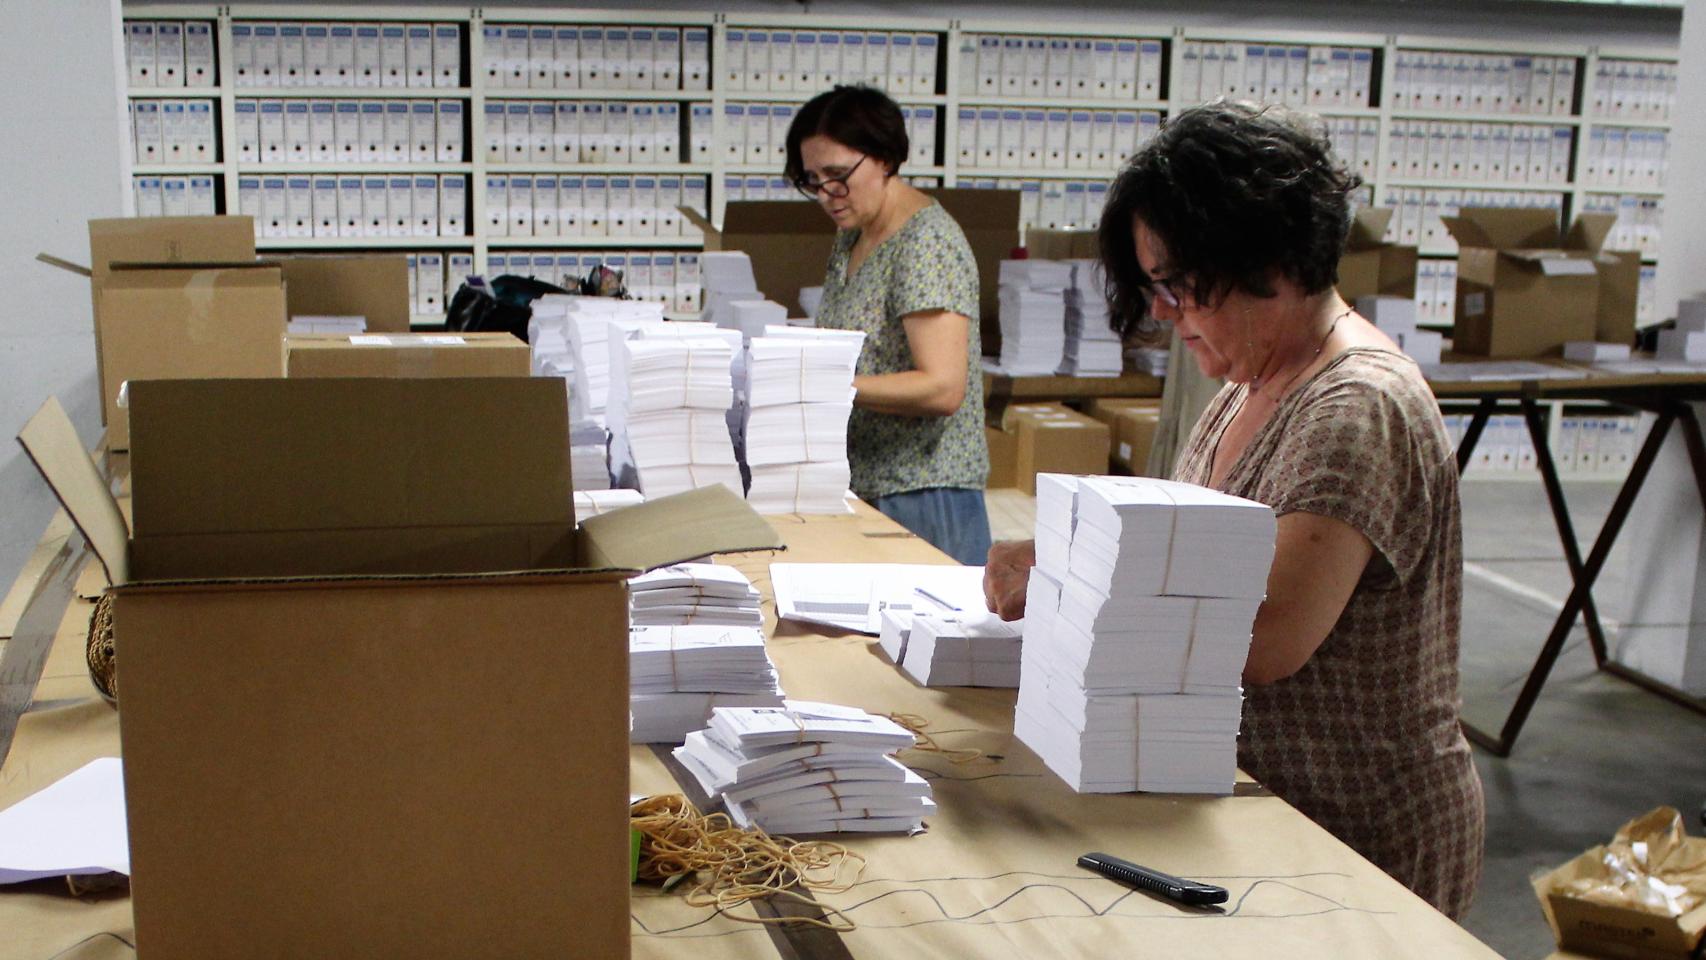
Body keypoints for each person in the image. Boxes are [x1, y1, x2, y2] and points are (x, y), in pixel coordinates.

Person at [983, 101, 1485, 919]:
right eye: (1155, 288)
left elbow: (1259, 638)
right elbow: (1180, 563)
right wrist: (1064, 556)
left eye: (1178, 286)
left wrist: (1066, 586)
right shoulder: (1250, 381)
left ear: (1267, 260)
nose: (1161, 313)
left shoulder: (1354, 404)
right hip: (1260, 812)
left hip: (1354, 833)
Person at [784, 85, 992, 565]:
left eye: (838, 176)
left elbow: (943, 388)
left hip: (923, 494)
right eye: (812, 180)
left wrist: (828, 384)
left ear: (884, 158)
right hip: (868, 484)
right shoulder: (853, 235)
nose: (826, 195)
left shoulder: (926, 243)